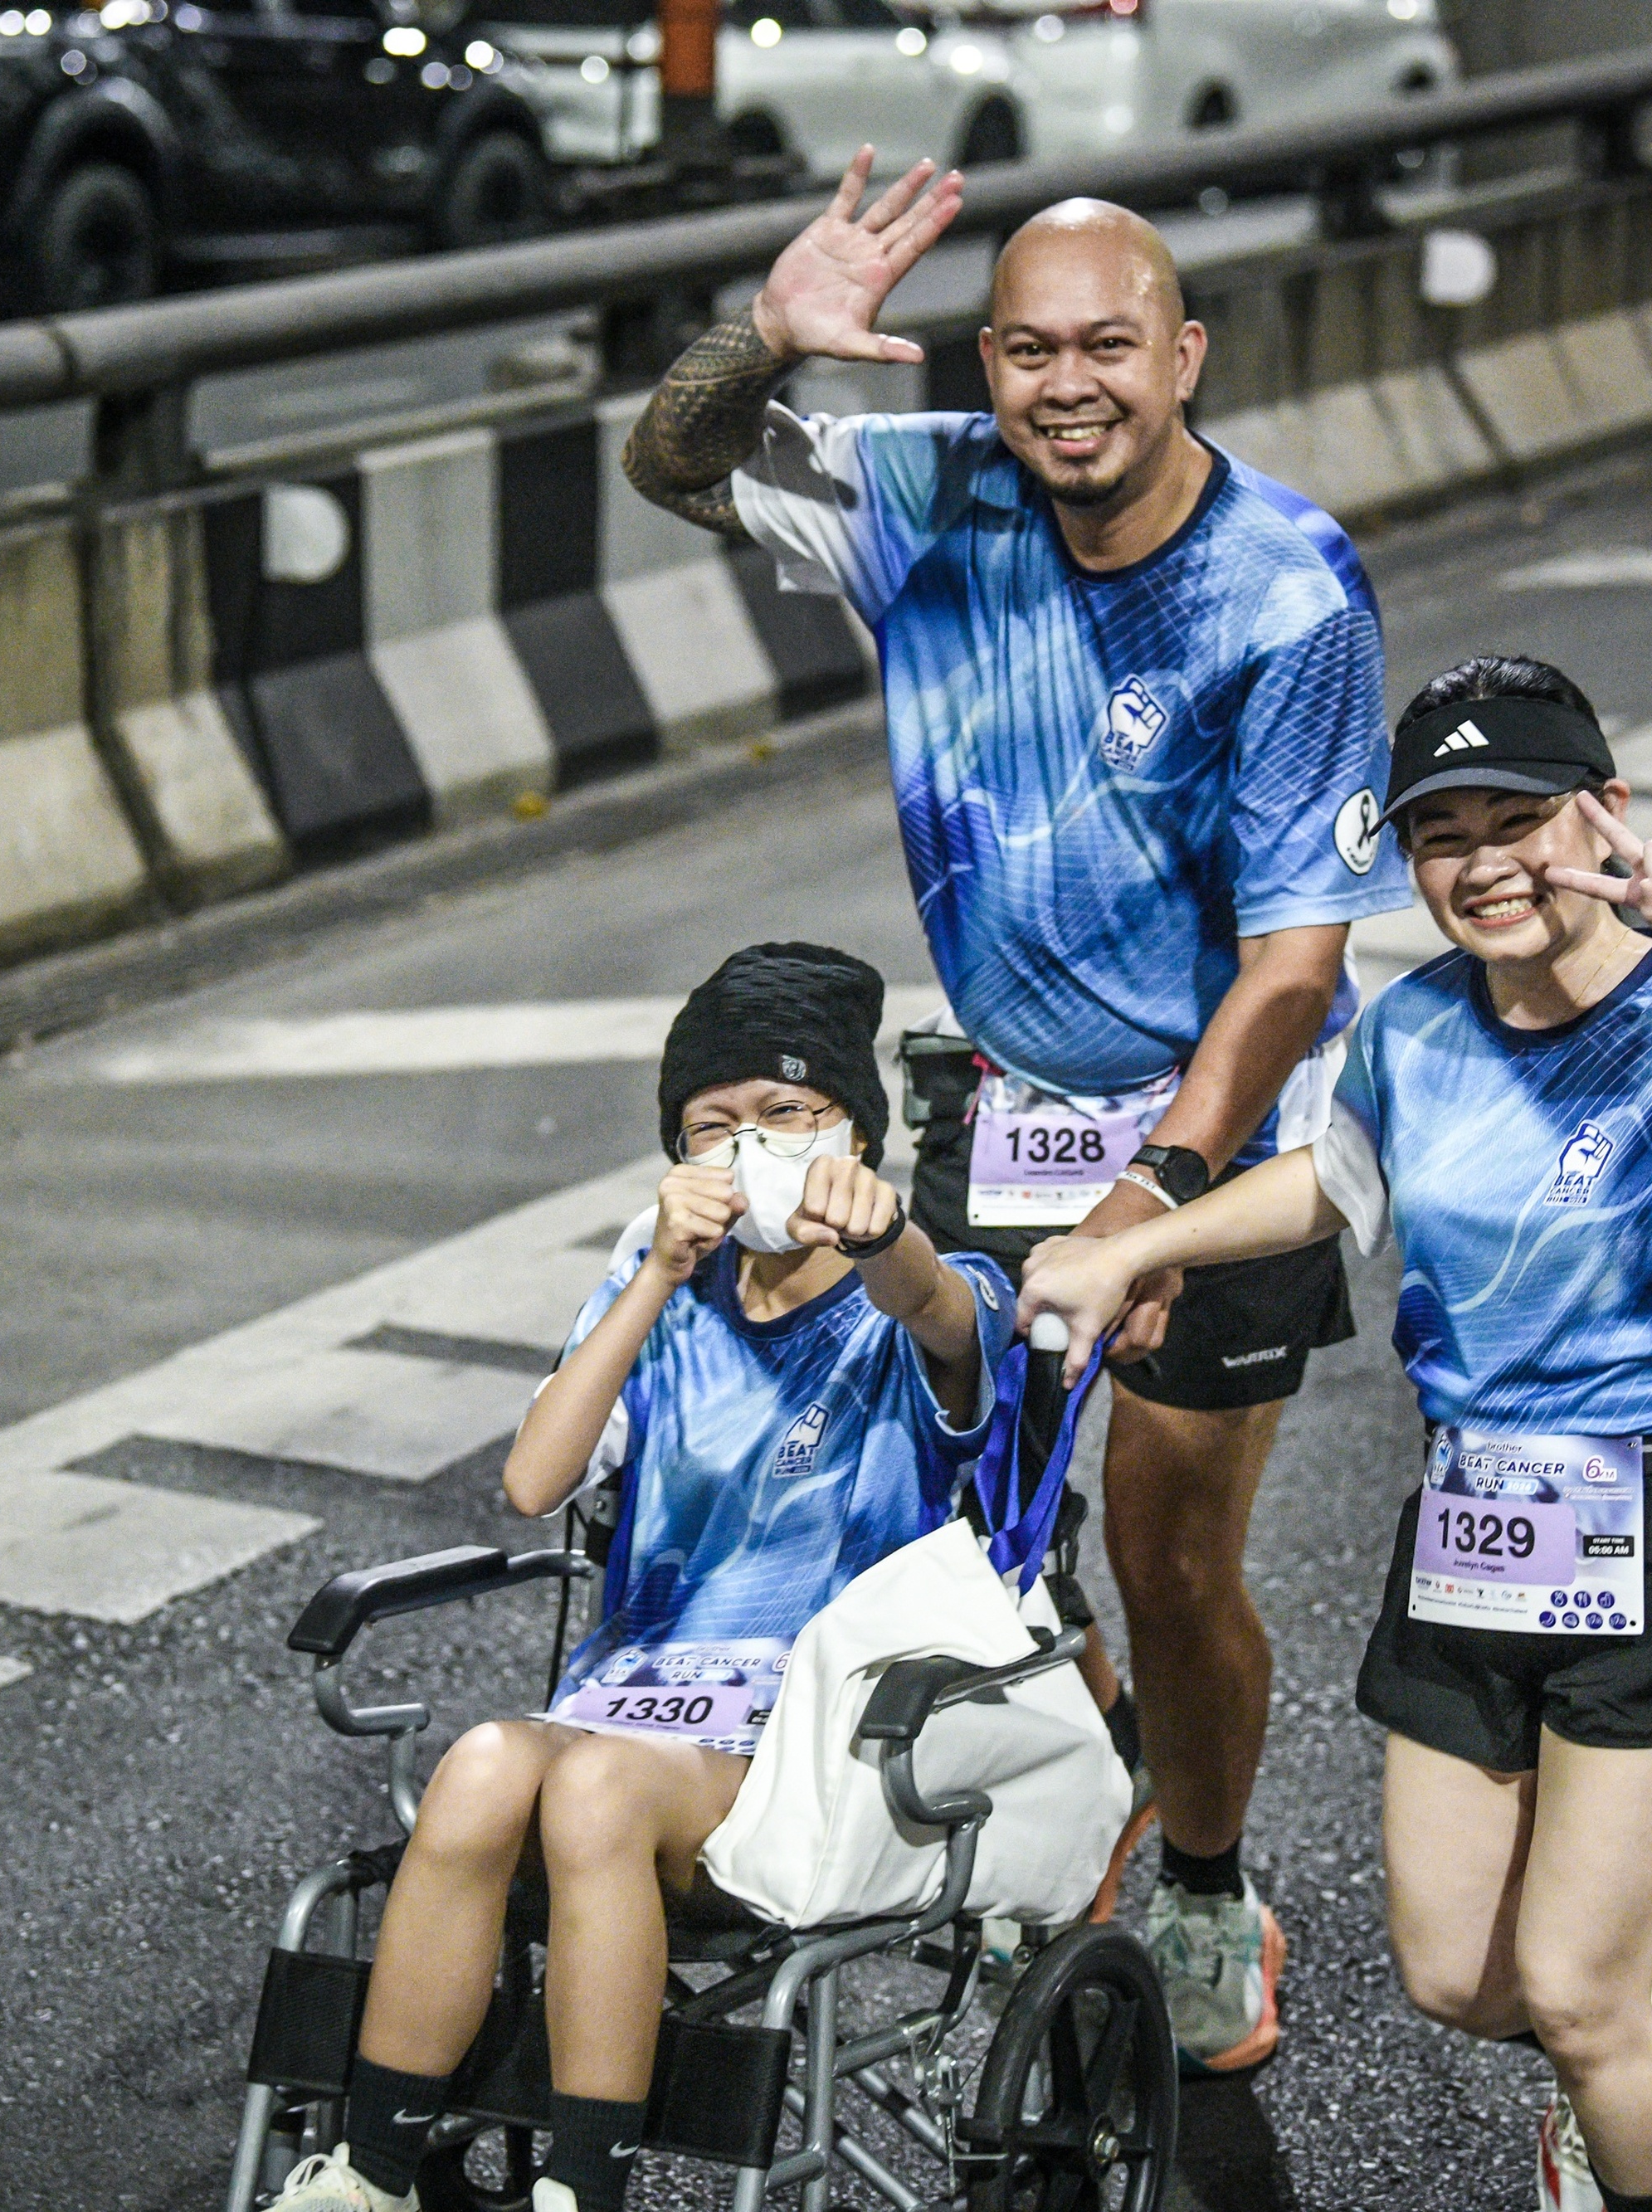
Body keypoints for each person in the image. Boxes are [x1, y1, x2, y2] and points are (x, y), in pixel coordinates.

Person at [619, 153, 1409, 2074]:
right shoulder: (928, 494)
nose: (1069, 386)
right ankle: (1081, 1780)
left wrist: (1149, 1202)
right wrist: (764, 335)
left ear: (1183, 356)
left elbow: (1292, 964)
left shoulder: (1283, 587)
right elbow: (669, 460)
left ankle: (1203, 1882)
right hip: (999, 1104)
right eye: (1030, 351)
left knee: (1162, 1544)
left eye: (1108, 348)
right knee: (974, 1529)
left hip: (1221, 1125)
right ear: (986, 365)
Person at [1015, 658, 1652, 2212]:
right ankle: (1615, 2037)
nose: (1482, 865)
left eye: (1517, 819)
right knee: (1461, 1976)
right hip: (1475, 1530)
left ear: (1606, 813)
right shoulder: (1417, 1030)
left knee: (1578, 1995)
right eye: (1441, 835)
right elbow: (1335, 1182)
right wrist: (1137, 1247)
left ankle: (1613, 2076)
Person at [270, 943, 1016, 2212]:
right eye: (711, 1126)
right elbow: (533, 1481)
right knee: (483, 1763)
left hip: (816, 1751)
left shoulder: (931, 1301)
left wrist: (885, 1230)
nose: (749, 1145)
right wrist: (658, 1271)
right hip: (630, 1721)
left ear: (854, 1130)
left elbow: (937, 1307)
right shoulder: (662, 1297)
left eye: (787, 1111)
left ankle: (585, 2193)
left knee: (595, 1786)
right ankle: (372, 2176)